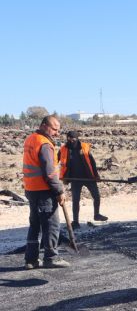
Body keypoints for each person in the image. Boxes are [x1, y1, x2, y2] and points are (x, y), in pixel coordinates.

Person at [22, 115, 70, 269]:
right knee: (51, 224)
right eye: (54, 129)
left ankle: (31, 259)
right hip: (44, 191)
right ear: (44, 126)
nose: (56, 133)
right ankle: (51, 257)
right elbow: (49, 173)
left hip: (31, 189)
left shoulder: (30, 138)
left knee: (34, 224)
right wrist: (59, 190)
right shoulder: (44, 144)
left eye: (58, 130)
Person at [59, 130, 107, 229]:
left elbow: (92, 163)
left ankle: (96, 214)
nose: (71, 141)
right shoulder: (64, 149)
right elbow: (55, 160)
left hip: (88, 177)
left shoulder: (84, 147)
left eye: (73, 139)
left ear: (77, 138)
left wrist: (96, 175)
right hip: (74, 179)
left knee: (96, 196)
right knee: (75, 200)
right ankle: (75, 222)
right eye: (69, 139)